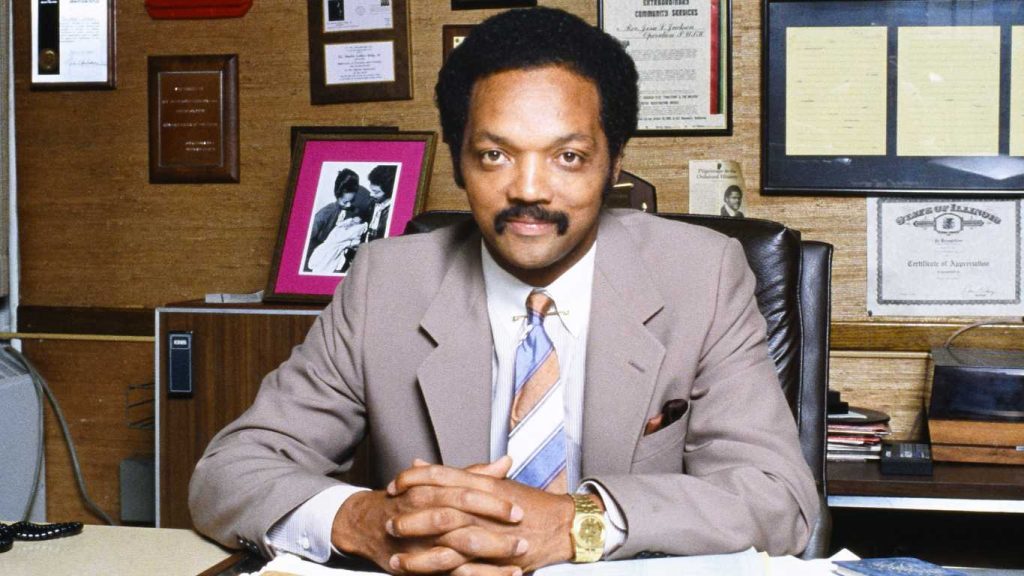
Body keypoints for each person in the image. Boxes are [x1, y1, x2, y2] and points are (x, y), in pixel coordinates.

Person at [189, 7, 818, 575]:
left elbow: (777, 499)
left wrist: (576, 522)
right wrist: (363, 521)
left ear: (615, 163)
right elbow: (229, 473)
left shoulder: (702, 275)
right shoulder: (386, 282)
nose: (529, 190)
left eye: (568, 157)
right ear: (459, 160)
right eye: (495, 155)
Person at [364, 164, 396, 242]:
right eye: (371, 190)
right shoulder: (372, 203)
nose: (371, 194)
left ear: (389, 191)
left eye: (376, 192)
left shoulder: (393, 211)